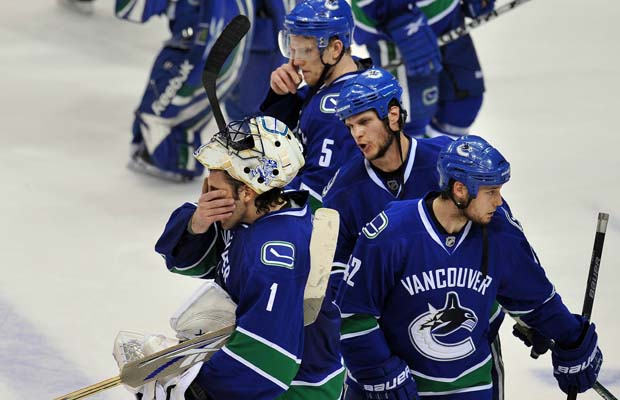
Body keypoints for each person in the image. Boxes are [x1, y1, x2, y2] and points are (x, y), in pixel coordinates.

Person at [336, 135, 603, 399]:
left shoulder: (499, 233)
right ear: (460, 190)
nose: (499, 201)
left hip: (469, 386)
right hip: (397, 389)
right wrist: (379, 371)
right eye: (490, 192)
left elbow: (537, 302)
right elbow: (354, 315)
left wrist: (574, 339)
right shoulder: (392, 232)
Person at [323, 67, 505, 399]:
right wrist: (376, 362)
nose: (356, 135)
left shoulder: (447, 163)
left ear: (393, 115)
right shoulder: (344, 191)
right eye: (350, 126)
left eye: (364, 122)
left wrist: (523, 305)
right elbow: (332, 279)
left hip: (462, 338)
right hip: (384, 343)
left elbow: (502, 237)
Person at [151, 115, 345, 399]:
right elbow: (184, 260)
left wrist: (197, 391)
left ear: (246, 191)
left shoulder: (273, 256)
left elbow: (267, 360)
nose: (207, 197)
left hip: (297, 390)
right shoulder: (260, 209)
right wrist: (197, 223)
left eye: (215, 191)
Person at [118, 0, 289, 182]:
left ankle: (173, 156)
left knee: (253, 113)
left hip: (221, 44)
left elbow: (130, 9)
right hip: (227, 41)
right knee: (250, 114)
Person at [261, 0, 372, 211]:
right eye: (291, 49)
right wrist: (281, 98)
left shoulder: (336, 112)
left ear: (335, 49)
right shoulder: (354, 72)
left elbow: (315, 195)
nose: (295, 62)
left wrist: (260, 199)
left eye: (305, 51)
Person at [350, 0, 491, 139]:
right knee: (407, 123)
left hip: (445, 16)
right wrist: (400, 19)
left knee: (462, 106)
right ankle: (415, 158)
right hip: (392, 29)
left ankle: (438, 157)